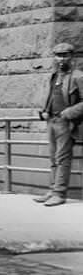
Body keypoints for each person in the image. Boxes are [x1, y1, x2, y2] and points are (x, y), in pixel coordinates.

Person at [36, 41, 83, 207]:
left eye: (65, 55)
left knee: (62, 158)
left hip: (66, 122)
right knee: (53, 158)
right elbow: (50, 96)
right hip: (52, 121)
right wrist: (43, 110)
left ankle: (59, 193)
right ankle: (52, 189)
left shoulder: (78, 76)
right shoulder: (53, 76)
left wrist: (69, 112)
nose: (61, 59)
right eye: (58, 55)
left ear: (72, 57)